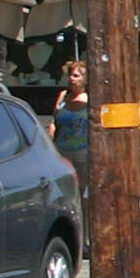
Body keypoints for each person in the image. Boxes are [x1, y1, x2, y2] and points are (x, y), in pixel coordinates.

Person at [50, 57, 93, 195]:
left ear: (85, 79)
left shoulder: (92, 98)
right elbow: (55, 120)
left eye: (76, 75)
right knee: (63, 189)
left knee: (81, 189)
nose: (71, 78)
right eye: (70, 75)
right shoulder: (64, 95)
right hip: (62, 150)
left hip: (82, 152)